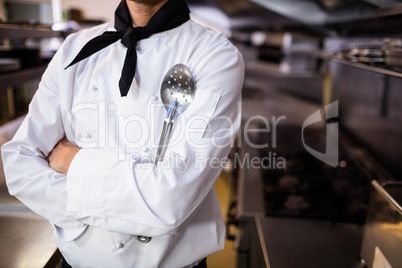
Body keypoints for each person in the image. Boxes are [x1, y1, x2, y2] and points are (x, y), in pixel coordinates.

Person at [1, 0, 244, 267]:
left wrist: (72, 162)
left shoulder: (215, 54)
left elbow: (168, 204)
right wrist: (134, 205)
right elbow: (20, 166)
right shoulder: (74, 47)